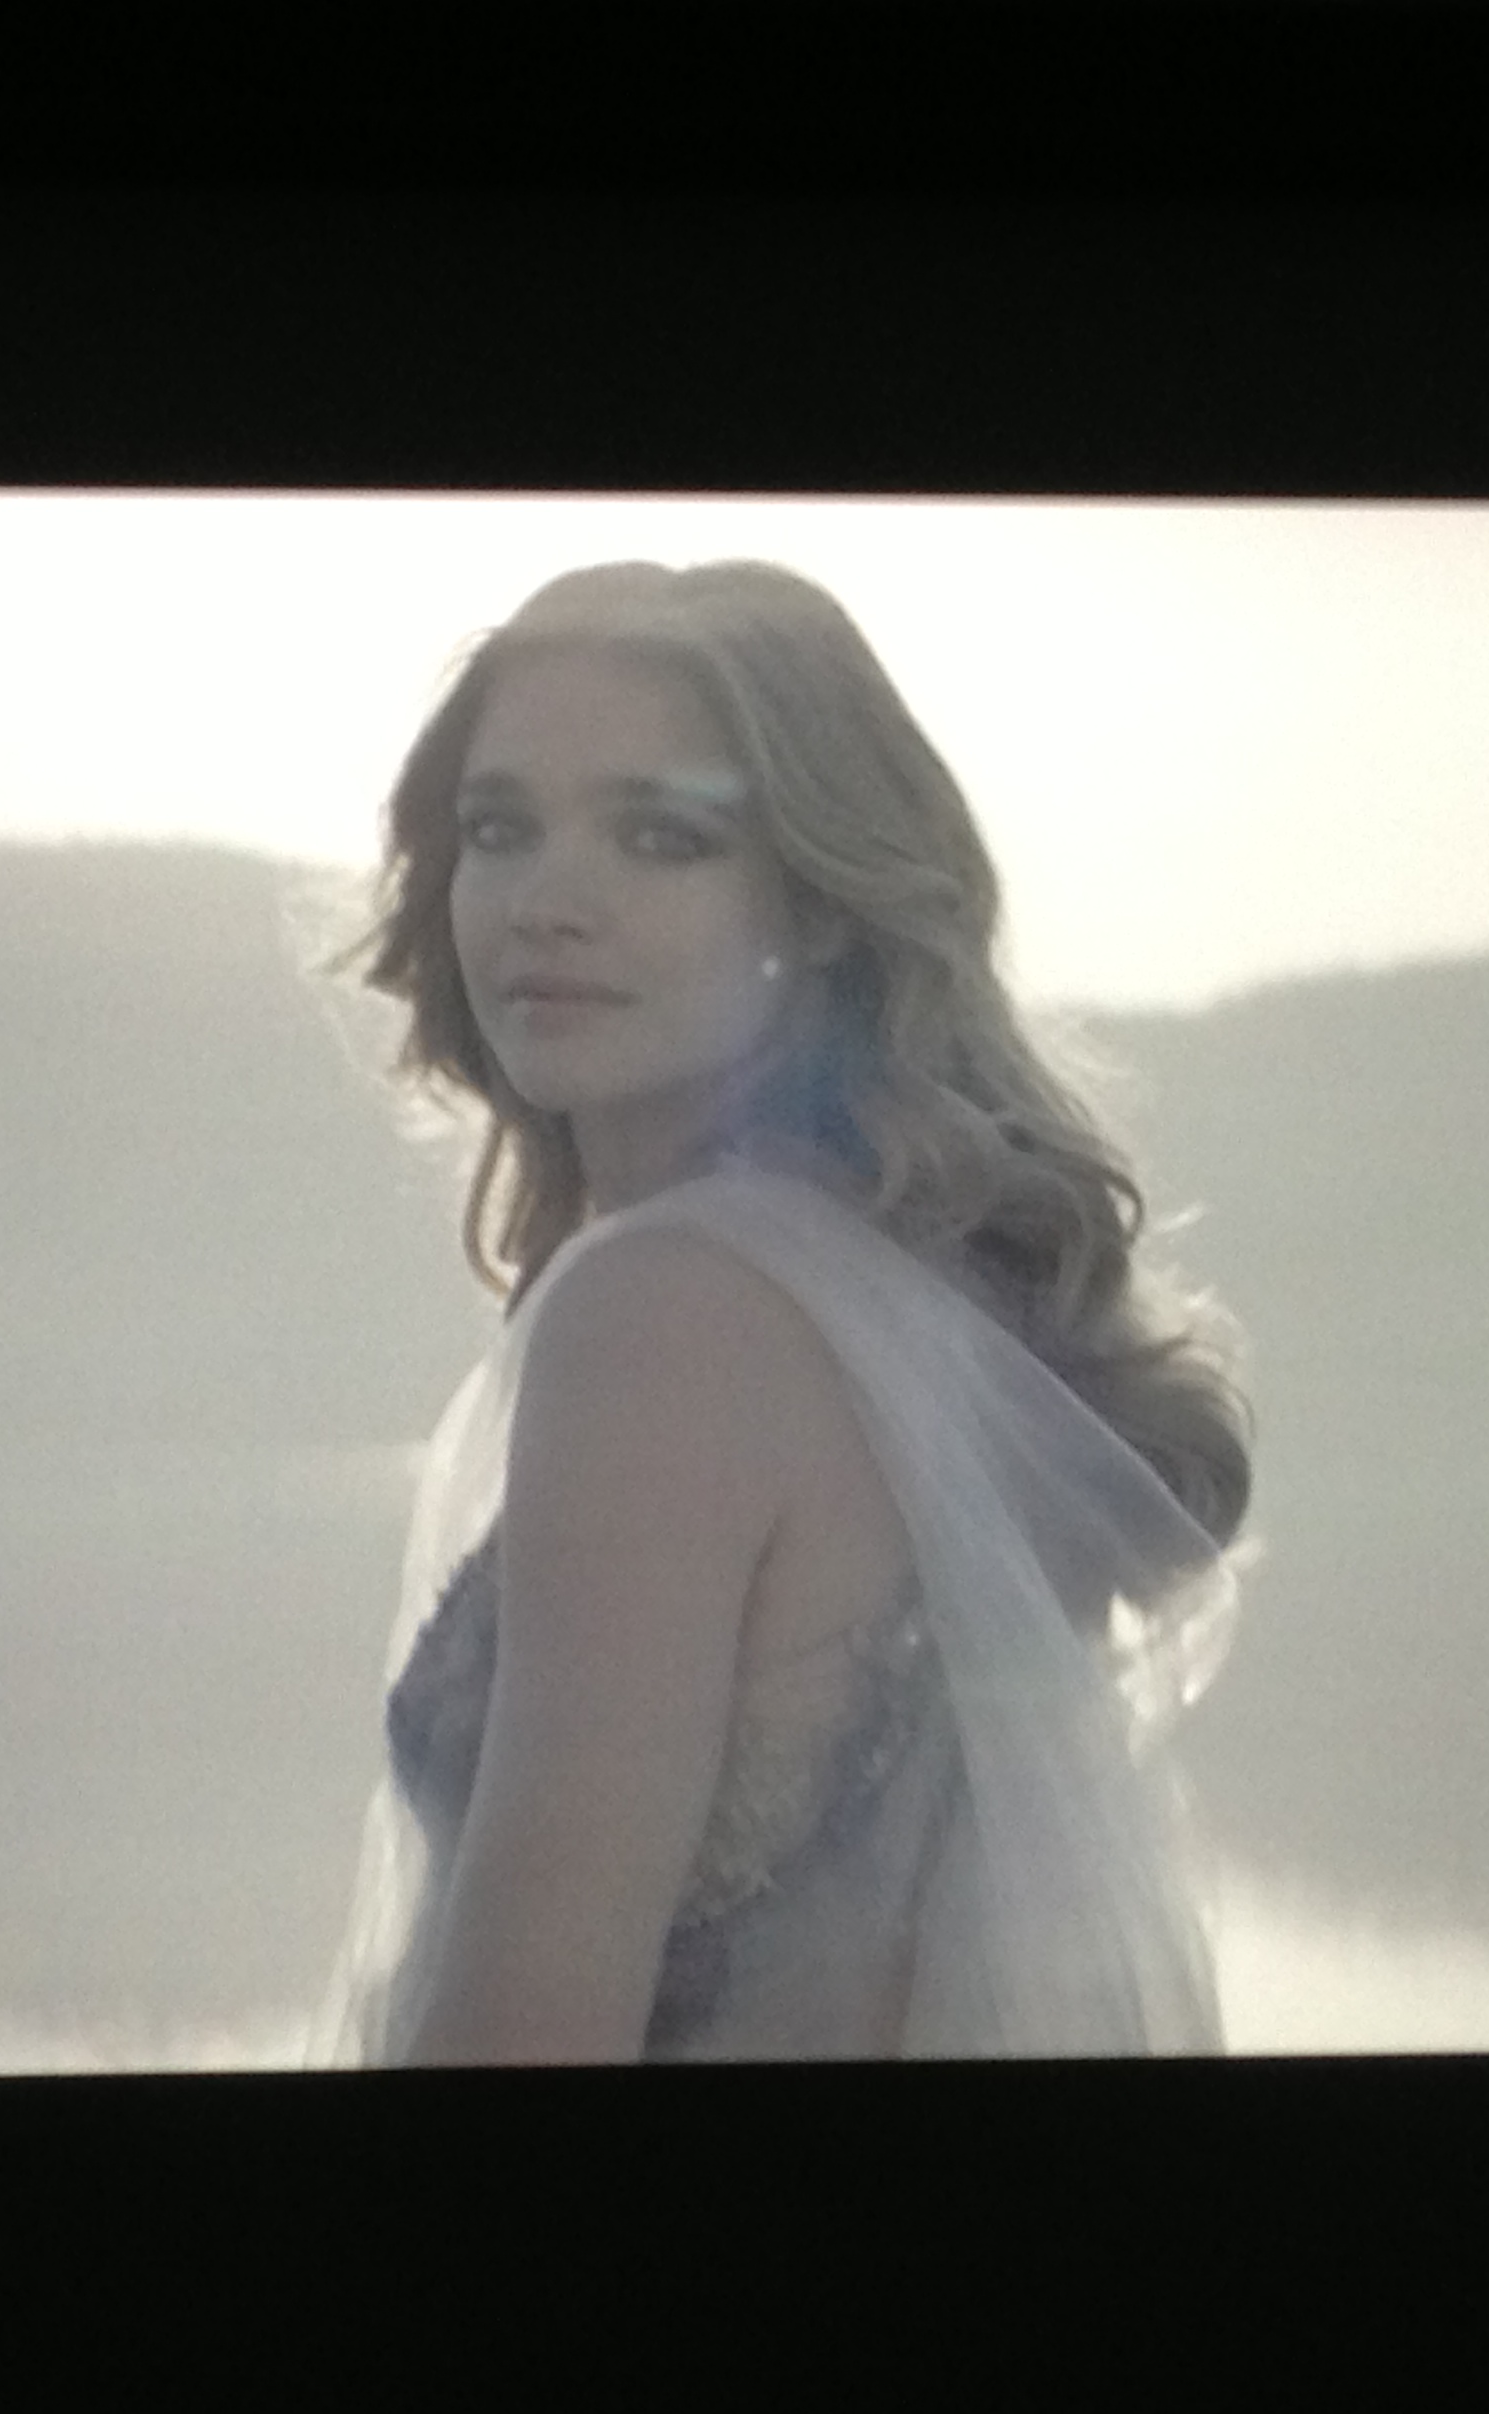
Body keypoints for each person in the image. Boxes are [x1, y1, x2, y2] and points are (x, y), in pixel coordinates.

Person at [310, 560, 1252, 2066]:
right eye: (500, 829)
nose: (549, 902)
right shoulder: (899, 1290)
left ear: (817, 904)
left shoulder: (666, 1324)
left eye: (661, 836)